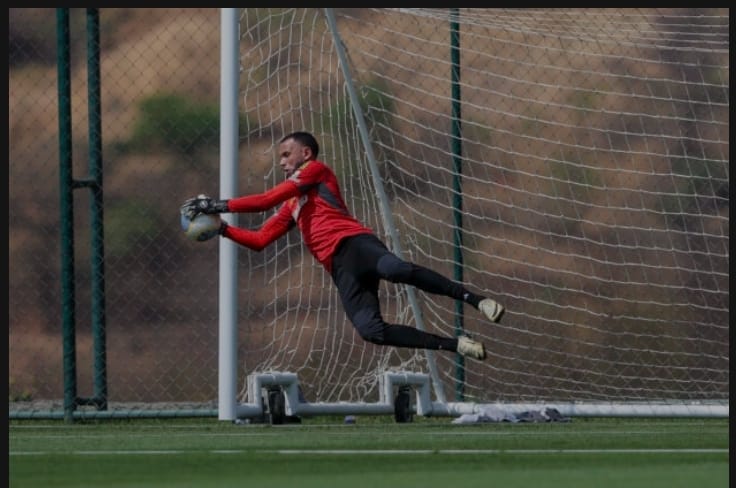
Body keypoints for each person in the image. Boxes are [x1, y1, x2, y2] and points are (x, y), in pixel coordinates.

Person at [181, 131, 504, 360]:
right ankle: (455, 345)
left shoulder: (316, 171)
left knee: (395, 269)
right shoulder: (292, 205)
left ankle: (476, 300)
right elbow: (260, 240)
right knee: (371, 331)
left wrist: (217, 205)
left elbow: (265, 200)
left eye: (285, 154)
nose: (281, 162)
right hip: (340, 268)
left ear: (305, 154)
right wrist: (223, 229)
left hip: (356, 243)